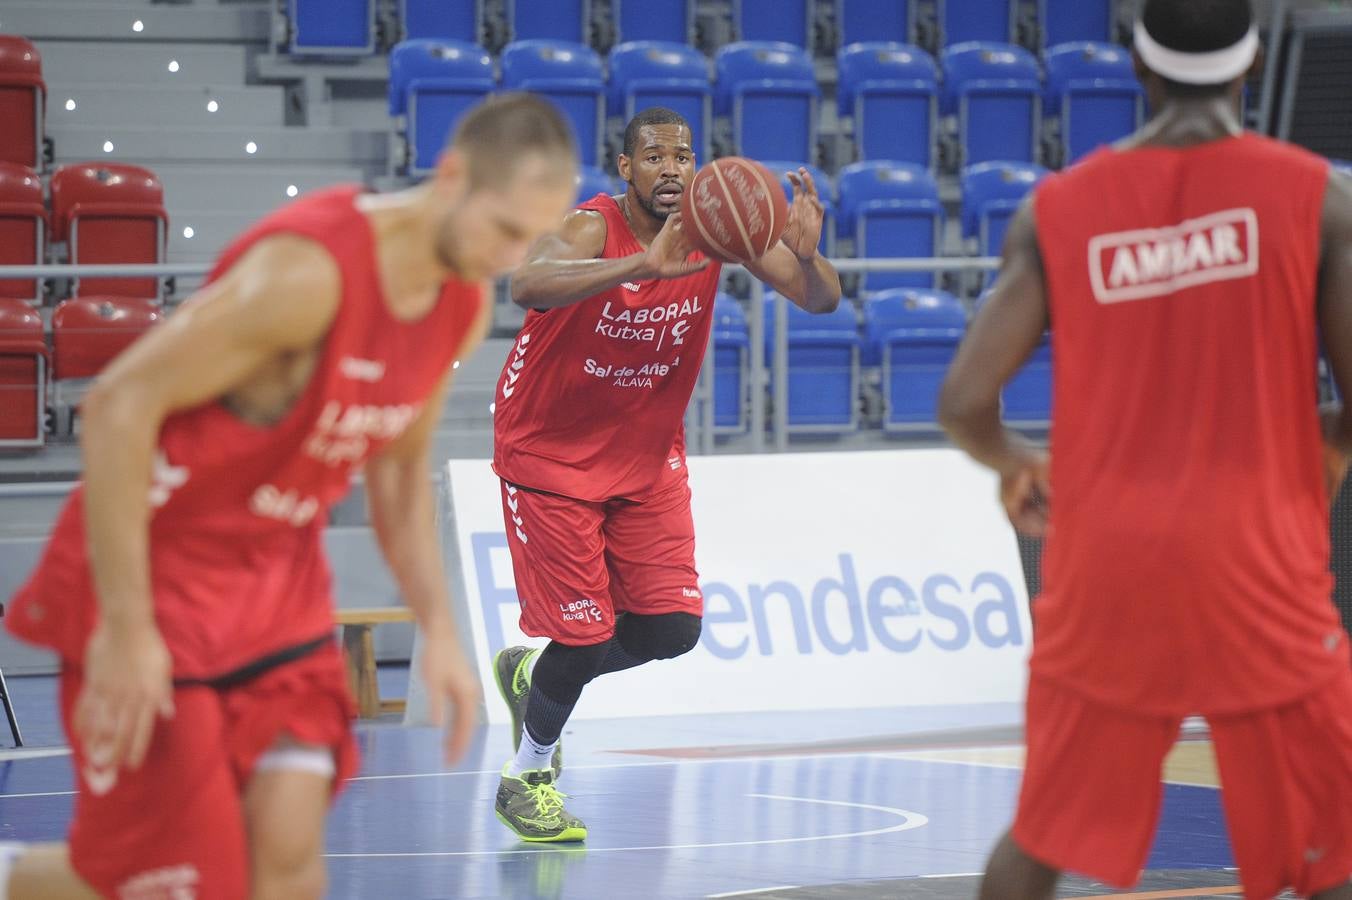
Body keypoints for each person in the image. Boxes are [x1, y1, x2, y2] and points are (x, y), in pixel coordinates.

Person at [2, 93, 579, 899]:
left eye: (532, 236)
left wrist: (440, 629)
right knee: (168, 881)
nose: (511, 258)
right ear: (450, 178)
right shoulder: (306, 273)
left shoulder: (460, 297)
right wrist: (127, 631)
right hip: (157, 576)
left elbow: (399, 474)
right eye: (505, 230)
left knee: (287, 859)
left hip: (276, 591)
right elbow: (117, 407)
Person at [938, 1, 1352, 897]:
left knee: (1038, 840)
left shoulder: (1058, 210)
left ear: (1139, 66)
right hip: (1261, 557)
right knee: (1334, 845)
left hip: (1111, 565)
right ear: (1248, 68)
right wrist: (1328, 451)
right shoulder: (1319, 197)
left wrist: (1022, 462)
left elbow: (966, 401)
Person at [488, 107, 842, 842]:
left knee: (671, 629)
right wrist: (640, 267)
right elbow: (527, 282)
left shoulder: (719, 229)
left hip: (643, 455)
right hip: (549, 452)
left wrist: (807, 259)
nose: (671, 168)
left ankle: (535, 679)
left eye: (682, 155)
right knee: (583, 639)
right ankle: (527, 775)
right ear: (626, 170)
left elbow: (820, 299)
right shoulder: (594, 226)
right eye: (653, 156)